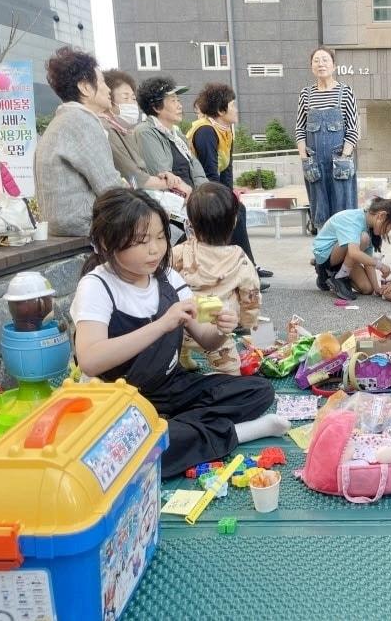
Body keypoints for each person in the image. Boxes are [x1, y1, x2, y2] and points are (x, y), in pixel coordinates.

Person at [70, 188, 286, 478]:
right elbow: (91, 360)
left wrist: (223, 329)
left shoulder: (167, 276)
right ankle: (231, 433)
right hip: (119, 399)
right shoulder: (97, 285)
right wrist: (161, 324)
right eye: (142, 241)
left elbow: (206, 339)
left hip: (169, 385)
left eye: (160, 237)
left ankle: (171, 429)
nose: (155, 249)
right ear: (110, 241)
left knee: (257, 390)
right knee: (123, 458)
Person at [172, 182, 261, 375]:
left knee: (179, 348)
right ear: (234, 222)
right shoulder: (240, 259)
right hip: (218, 332)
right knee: (231, 372)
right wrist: (249, 323)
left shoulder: (182, 251)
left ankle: (183, 358)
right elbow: (251, 295)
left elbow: (162, 272)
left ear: (191, 223)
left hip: (182, 328)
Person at [187, 82, 272, 282]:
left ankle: (247, 265)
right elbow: (209, 172)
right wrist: (225, 201)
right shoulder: (205, 131)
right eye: (232, 105)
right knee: (235, 212)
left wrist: (231, 196)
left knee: (238, 209)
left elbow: (226, 171)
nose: (236, 109)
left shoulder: (225, 130)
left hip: (214, 187)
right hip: (201, 191)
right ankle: (245, 268)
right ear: (220, 110)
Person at [34, 47, 121, 237]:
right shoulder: (81, 121)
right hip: (84, 223)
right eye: (103, 82)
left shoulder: (63, 120)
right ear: (85, 87)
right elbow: (110, 189)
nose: (108, 89)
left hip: (59, 224)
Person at [295, 47, 360, 231]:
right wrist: (304, 158)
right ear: (311, 67)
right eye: (316, 60)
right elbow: (300, 128)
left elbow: (353, 129)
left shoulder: (345, 92)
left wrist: (344, 157)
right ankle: (325, 256)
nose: (320, 64)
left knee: (343, 212)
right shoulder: (306, 94)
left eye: (325, 60)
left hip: (340, 161)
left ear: (334, 66)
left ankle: (346, 255)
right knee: (320, 211)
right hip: (314, 162)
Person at [100, 69, 186, 194]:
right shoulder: (109, 130)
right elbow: (133, 177)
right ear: (109, 100)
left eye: (133, 99)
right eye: (126, 97)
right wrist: (171, 182)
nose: (132, 103)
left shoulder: (125, 131)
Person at [312, 198, 391, 300]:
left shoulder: (369, 227)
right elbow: (354, 253)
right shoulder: (354, 219)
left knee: (367, 289)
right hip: (326, 256)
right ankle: (337, 277)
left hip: (345, 259)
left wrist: (377, 288)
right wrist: (380, 265)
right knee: (364, 238)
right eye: (390, 226)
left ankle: (328, 277)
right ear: (381, 216)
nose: (388, 231)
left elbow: (367, 261)